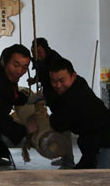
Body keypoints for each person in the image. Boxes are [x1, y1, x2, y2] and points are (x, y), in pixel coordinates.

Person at [47, 57, 110, 169]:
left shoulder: (77, 98)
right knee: (79, 176)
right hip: (96, 146)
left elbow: (58, 123)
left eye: (62, 80)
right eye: (54, 81)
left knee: (98, 180)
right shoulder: (79, 84)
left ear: (73, 75)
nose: (58, 85)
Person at [29, 38, 75, 168]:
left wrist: (44, 95)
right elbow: (41, 73)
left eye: (39, 51)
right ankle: (64, 156)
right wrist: (34, 80)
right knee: (60, 126)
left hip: (62, 97)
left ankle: (68, 161)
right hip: (53, 97)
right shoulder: (40, 60)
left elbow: (56, 80)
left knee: (64, 127)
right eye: (34, 52)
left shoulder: (54, 60)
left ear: (46, 49)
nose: (37, 54)